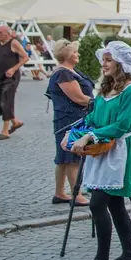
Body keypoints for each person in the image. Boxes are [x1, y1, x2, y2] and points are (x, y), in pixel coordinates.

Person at [70, 42, 131, 260]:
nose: (104, 63)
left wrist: (91, 135)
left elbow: (123, 125)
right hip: (102, 149)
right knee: (115, 203)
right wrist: (75, 134)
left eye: (109, 60)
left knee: (97, 202)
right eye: (104, 59)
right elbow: (94, 116)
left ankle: (102, 258)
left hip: (119, 151)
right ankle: (128, 254)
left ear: (121, 63)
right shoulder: (105, 89)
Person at [46, 40, 92, 206]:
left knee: (64, 156)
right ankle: (76, 194)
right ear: (66, 54)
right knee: (73, 156)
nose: (77, 54)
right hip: (71, 118)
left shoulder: (67, 71)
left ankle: (60, 193)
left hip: (67, 117)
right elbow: (78, 98)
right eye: (74, 52)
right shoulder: (64, 73)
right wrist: (99, 103)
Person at [0, 24, 28, 140]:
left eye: (0, 32)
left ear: (7, 33)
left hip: (12, 77)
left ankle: (5, 131)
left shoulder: (14, 43)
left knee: (6, 100)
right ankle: (15, 121)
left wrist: (13, 69)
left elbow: (25, 57)